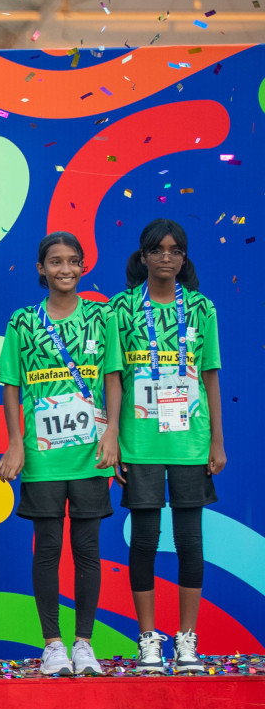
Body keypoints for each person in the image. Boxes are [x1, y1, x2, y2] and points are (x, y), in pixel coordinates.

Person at [101, 218, 224, 675]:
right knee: (145, 541)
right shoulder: (120, 309)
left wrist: (217, 440)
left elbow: (210, 374)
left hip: (191, 443)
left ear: (184, 259)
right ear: (144, 257)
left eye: (175, 251)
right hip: (140, 443)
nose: (167, 257)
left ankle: (187, 639)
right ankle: (148, 639)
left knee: (191, 541)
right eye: (158, 250)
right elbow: (113, 376)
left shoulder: (202, 309)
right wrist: (112, 435)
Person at [0, 232, 115, 677]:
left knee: (87, 549)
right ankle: (53, 644)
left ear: (83, 266)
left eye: (73, 261)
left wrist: (113, 436)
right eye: (55, 261)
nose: (65, 269)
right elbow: (11, 385)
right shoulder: (23, 321)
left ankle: (84, 643)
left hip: (90, 454)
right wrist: (16, 441)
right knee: (46, 548)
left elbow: (114, 379)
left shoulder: (102, 317)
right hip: (43, 457)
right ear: (40, 269)